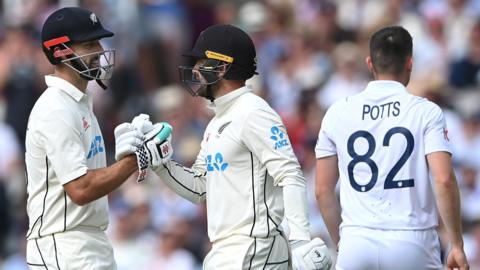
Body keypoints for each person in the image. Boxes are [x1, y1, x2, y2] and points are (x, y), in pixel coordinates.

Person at [136, 24, 332, 269]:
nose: (195, 70)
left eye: (200, 61)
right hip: (227, 250)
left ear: (221, 67)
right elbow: (199, 188)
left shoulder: (253, 111)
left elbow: (290, 174)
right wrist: (162, 165)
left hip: (255, 248)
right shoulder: (217, 121)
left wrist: (300, 240)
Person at [315, 26, 469, 270]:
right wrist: (457, 244)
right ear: (410, 63)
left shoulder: (337, 112)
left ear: (369, 63)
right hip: (411, 240)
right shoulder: (426, 112)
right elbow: (444, 180)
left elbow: (323, 191)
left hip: (357, 240)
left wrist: (341, 242)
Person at [24, 7, 166, 269]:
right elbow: (80, 189)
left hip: (89, 242)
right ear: (61, 51)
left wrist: (125, 159)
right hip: (63, 246)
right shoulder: (56, 108)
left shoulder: (78, 103)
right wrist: (135, 159)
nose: (100, 51)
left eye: (99, 42)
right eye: (90, 44)